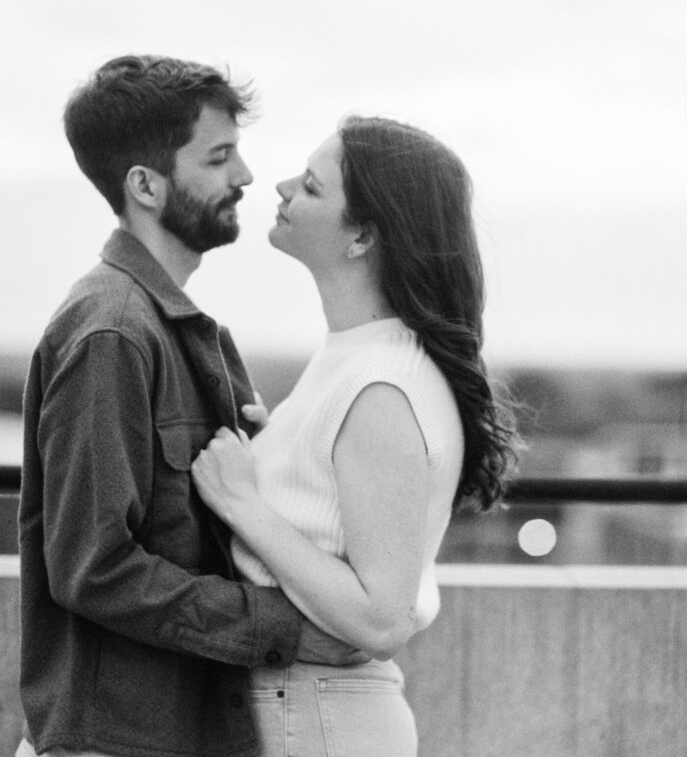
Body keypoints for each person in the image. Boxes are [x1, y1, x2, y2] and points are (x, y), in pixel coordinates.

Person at [16, 55, 360, 757]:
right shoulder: (110, 333)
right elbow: (94, 566)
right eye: (218, 156)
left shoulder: (185, 334)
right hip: (116, 740)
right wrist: (280, 628)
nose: (244, 177)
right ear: (144, 184)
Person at [191, 115, 521, 757]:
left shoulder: (381, 386)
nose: (281, 186)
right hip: (304, 711)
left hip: (317, 720)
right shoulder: (358, 359)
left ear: (363, 236)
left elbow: (378, 619)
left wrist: (241, 503)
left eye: (312, 188)